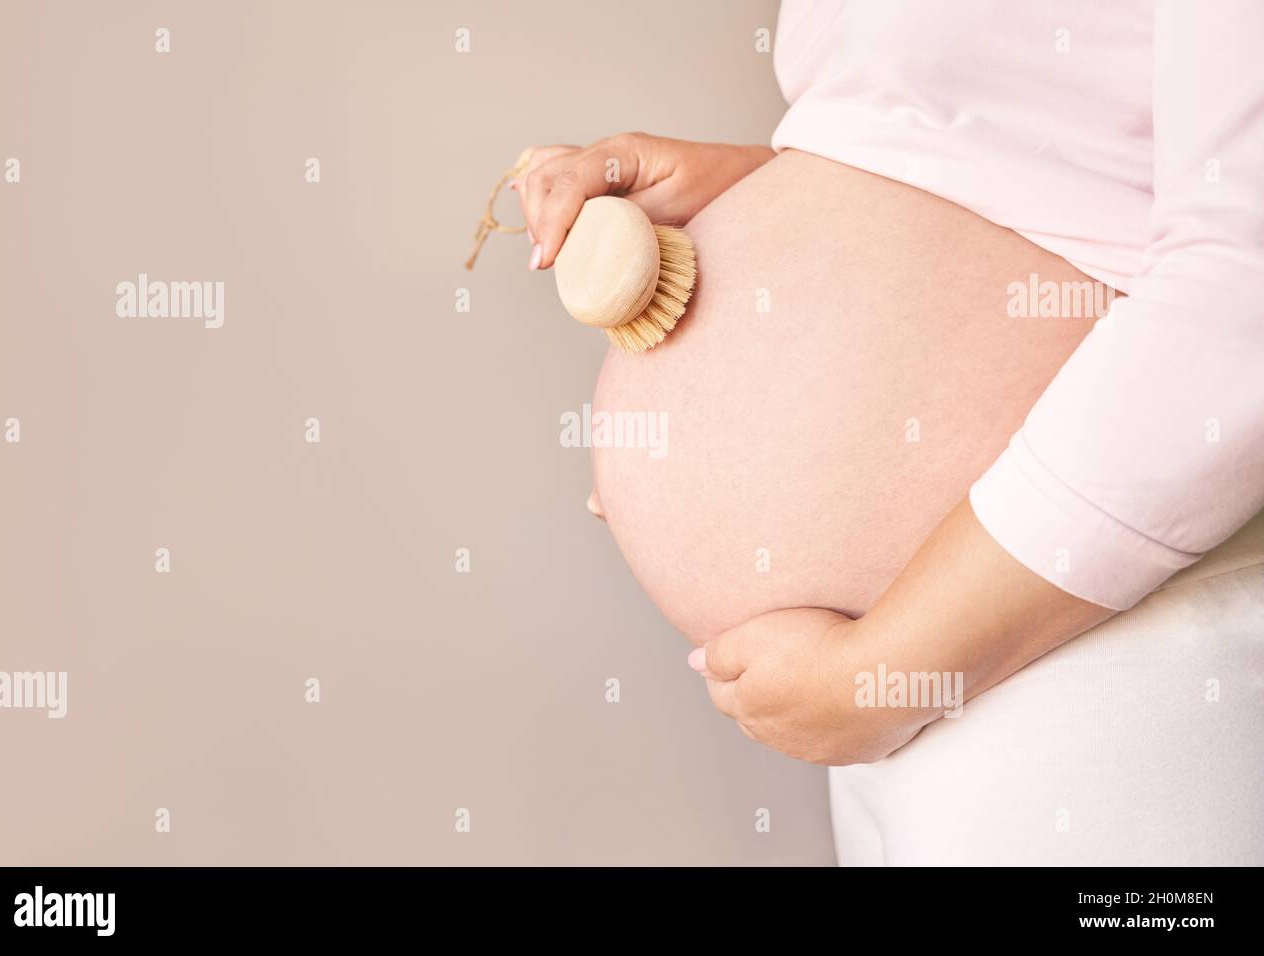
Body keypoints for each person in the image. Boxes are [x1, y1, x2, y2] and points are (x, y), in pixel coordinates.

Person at [513, 0, 1264, 864]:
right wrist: (763, 180)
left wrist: (893, 663)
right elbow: (1007, 154)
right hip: (884, 692)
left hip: (1078, 651)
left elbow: (1243, 287)